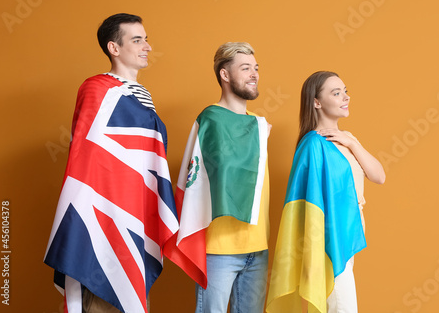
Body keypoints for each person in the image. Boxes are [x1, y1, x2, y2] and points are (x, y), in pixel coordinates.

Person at [44, 13, 177, 313]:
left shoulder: (144, 95)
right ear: (114, 48)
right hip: (103, 214)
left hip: (136, 210)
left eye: (146, 39)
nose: (147, 46)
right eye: (137, 40)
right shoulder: (97, 89)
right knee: (104, 300)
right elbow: (86, 158)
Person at [266, 71, 385, 313]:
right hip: (328, 239)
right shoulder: (312, 144)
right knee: (342, 305)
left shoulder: (348, 138)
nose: (346, 97)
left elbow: (379, 176)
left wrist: (351, 143)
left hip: (349, 231)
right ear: (316, 102)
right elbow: (307, 202)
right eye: (336, 92)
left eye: (345, 91)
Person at [165, 42, 271, 313]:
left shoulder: (260, 125)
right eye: (245, 68)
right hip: (220, 249)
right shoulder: (210, 119)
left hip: (258, 247)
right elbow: (197, 179)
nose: (254, 74)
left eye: (256, 68)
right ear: (225, 75)